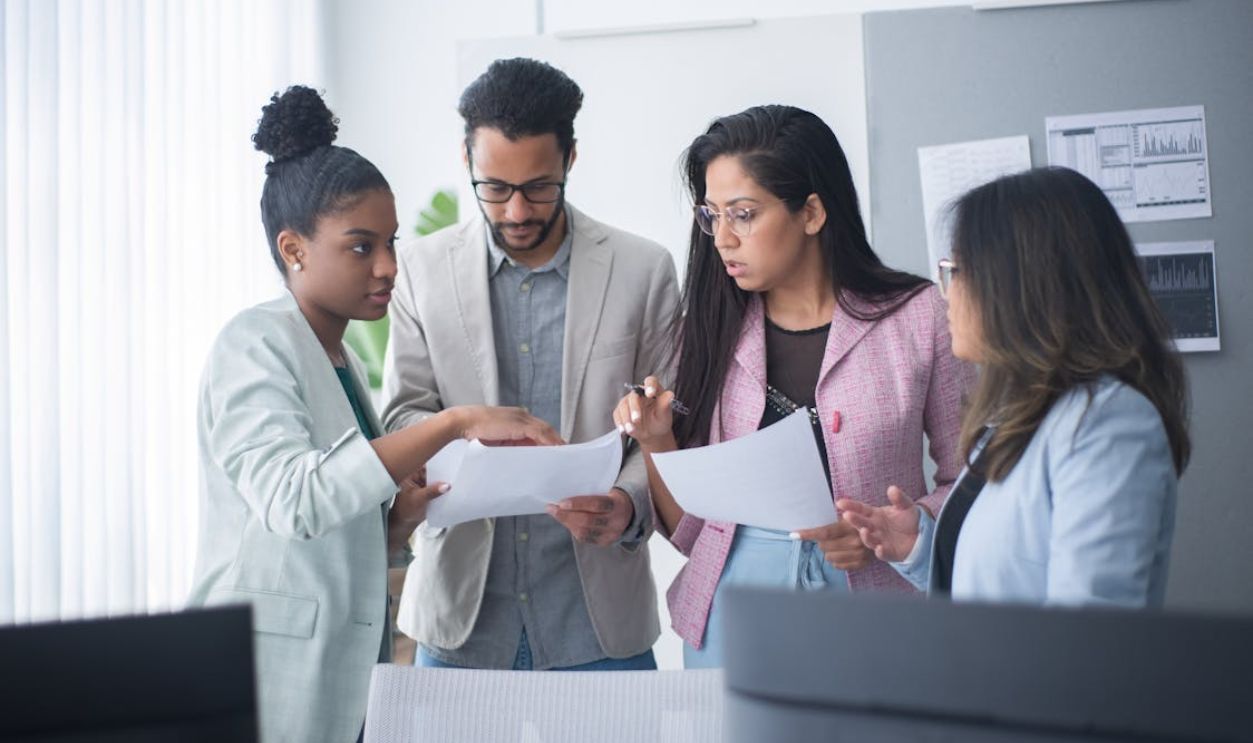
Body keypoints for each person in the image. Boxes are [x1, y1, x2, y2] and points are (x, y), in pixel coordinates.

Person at [185, 86, 561, 743]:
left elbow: (329, 528)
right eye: (362, 247)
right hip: (266, 674)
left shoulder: (338, 358)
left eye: (390, 242)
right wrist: (453, 421)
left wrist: (394, 524)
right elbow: (296, 500)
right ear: (294, 249)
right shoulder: (254, 342)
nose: (389, 266)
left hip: (342, 671)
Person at [614, 105, 974, 668]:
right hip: (731, 616)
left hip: (878, 615)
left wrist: (905, 530)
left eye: (744, 214)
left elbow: (973, 479)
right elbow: (691, 534)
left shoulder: (919, 315)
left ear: (810, 212)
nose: (723, 239)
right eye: (712, 216)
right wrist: (657, 442)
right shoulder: (706, 329)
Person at [383, 58, 679, 671]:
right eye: (495, 188)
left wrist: (626, 504)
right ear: (466, 161)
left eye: (539, 187)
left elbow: (668, 425)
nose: (517, 211)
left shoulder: (642, 270)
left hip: (597, 623)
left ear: (571, 159)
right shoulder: (419, 269)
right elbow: (403, 415)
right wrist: (463, 427)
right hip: (461, 619)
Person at [840, 166, 1190, 607]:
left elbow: (1089, 633)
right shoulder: (1024, 414)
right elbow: (1004, 584)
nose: (946, 294)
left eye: (955, 271)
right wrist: (922, 547)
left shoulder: (1109, 423)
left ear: (1020, 284)